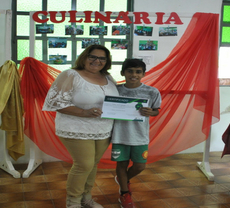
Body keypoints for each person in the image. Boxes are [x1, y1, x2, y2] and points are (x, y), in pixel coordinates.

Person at [43, 44, 119, 208]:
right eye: (93, 56)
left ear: (106, 61)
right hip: (76, 128)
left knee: (93, 164)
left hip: (103, 129)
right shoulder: (70, 75)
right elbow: (54, 103)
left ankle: (86, 198)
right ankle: (73, 201)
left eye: (102, 58)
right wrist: (84, 112)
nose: (96, 61)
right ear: (84, 57)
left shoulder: (108, 77)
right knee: (83, 164)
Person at [110, 58, 161, 208]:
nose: (134, 74)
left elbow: (156, 111)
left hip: (140, 136)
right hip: (119, 135)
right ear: (122, 72)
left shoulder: (152, 91)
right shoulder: (115, 90)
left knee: (140, 166)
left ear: (144, 74)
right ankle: (125, 194)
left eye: (138, 72)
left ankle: (122, 179)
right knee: (121, 164)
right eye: (130, 71)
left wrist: (151, 112)